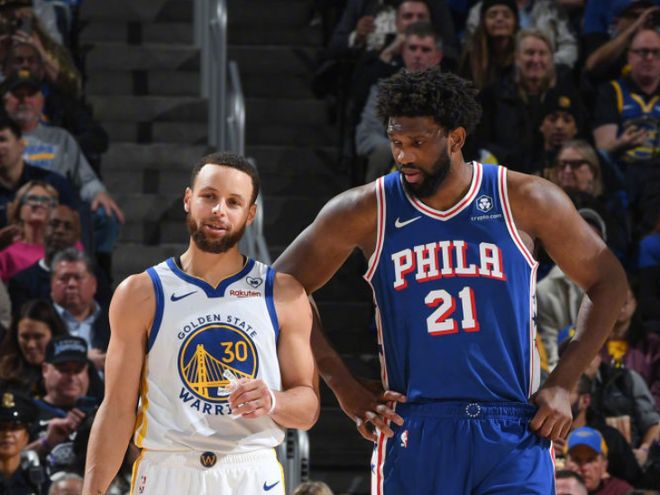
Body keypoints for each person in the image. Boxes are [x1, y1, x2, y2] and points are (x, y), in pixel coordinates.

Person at [273, 68, 627, 493]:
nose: (404, 156)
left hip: (513, 427)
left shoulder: (524, 198)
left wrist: (563, 382)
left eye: (418, 143)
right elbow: (279, 286)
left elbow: (609, 282)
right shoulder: (368, 209)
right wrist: (341, 383)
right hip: (415, 425)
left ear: (456, 139)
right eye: (396, 142)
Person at [82, 152, 319, 495]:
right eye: (209, 196)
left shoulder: (283, 293)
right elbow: (117, 409)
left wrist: (273, 401)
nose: (219, 210)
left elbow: (308, 408)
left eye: (234, 202)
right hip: (166, 468)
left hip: (250, 471)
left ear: (250, 214)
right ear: (188, 199)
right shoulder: (140, 292)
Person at [28, 336, 101, 461]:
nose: (72, 377)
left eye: (78, 370)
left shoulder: (101, 413)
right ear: (45, 370)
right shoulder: (27, 412)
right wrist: (46, 443)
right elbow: (6, 463)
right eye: (64, 370)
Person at [49, 248, 109, 370]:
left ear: (94, 284)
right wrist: (84, 359)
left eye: (78, 278)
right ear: (52, 284)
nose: (71, 284)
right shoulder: (39, 319)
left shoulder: (112, 319)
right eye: (64, 278)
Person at [0, 298, 68, 393]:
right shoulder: (4, 373)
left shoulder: (74, 373)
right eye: (25, 337)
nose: (31, 345)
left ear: (54, 335)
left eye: (38, 337)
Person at [0, 179, 58, 282]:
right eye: (32, 199)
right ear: (19, 209)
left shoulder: (67, 245)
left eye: (46, 200)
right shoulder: (6, 251)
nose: (39, 203)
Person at [0, 386, 48, 494]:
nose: (7, 434)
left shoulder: (39, 481)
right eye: (1, 428)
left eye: (15, 428)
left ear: (26, 437)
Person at [564, 426, 634, 495]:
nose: (584, 467)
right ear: (565, 464)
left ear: (604, 465)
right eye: (577, 460)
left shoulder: (621, 491)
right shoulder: (558, 489)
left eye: (590, 460)